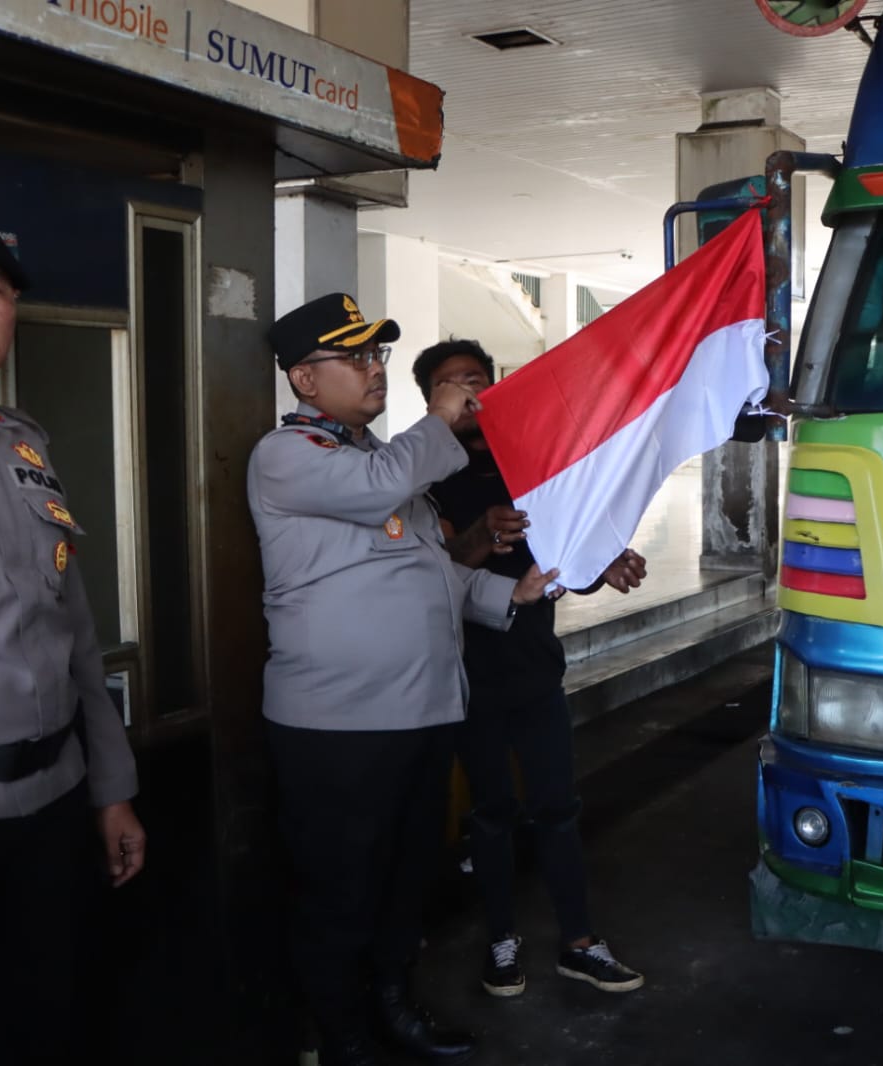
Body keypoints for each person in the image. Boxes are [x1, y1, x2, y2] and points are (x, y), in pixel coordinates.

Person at [249, 295, 558, 1066]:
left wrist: (509, 594)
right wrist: (442, 418)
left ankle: (394, 1007)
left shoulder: (384, 462)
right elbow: (376, 489)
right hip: (337, 728)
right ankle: (340, 1036)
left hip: (418, 714)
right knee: (340, 889)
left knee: (402, 882)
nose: (373, 369)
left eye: (377, 354)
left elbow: (432, 574)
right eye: (354, 357)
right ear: (304, 379)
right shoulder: (288, 456)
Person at [0, 201, 145, 1066]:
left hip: (49, 808)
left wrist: (111, 790)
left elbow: (75, 635)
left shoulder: (25, 444)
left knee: (43, 1023)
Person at [412, 339, 647, 1000]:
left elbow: (566, 558)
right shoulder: (425, 478)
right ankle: (500, 940)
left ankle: (580, 942)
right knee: (491, 812)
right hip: (466, 677)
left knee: (557, 807)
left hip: (537, 669)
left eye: (477, 379)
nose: (469, 392)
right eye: (453, 383)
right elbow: (431, 571)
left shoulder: (534, 465)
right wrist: (480, 535)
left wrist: (604, 562)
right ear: (432, 399)